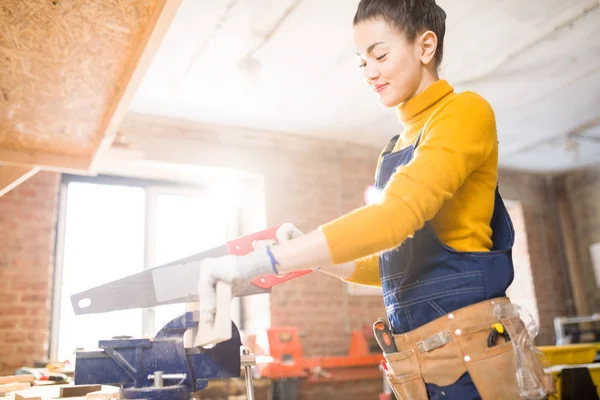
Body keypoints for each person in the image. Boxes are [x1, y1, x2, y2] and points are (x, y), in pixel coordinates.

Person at [197, 1, 552, 399]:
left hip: (472, 364)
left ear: (425, 46)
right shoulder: (395, 147)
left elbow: (393, 218)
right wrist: (313, 255)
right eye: (361, 62)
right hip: (418, 369)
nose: (369, 72)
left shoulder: (464, 112)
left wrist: (266, 261)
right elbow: (391, 264)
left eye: (379, 55)